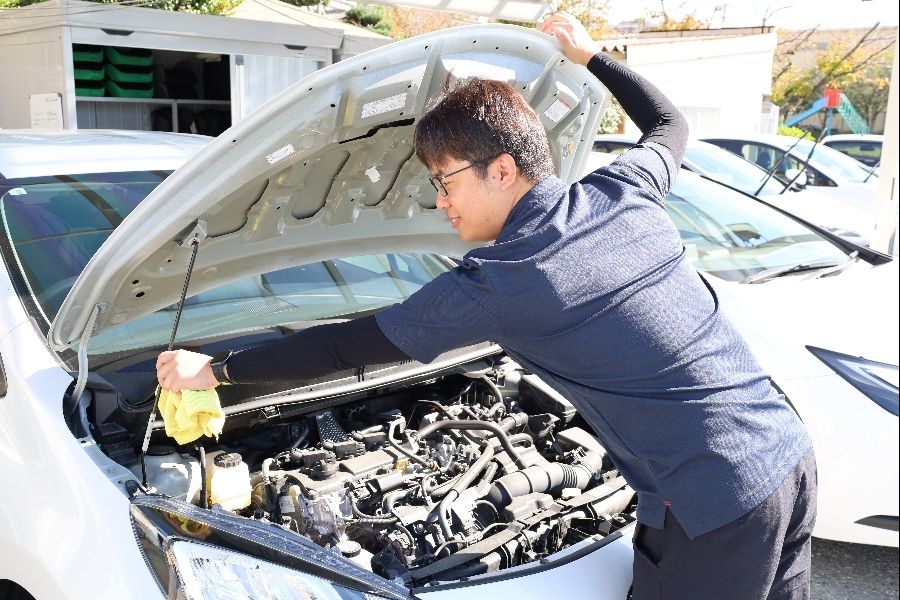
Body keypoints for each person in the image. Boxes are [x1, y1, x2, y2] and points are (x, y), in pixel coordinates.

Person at [156, 13, 816, 600]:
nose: (439, 203)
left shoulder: (508, 279)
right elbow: (671, 125)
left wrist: (210, 371)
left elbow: (344, 348)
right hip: (789, 455)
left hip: (716, 503)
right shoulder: (623, 190)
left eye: (444, 182)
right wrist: (591, 58)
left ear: (501, 171)